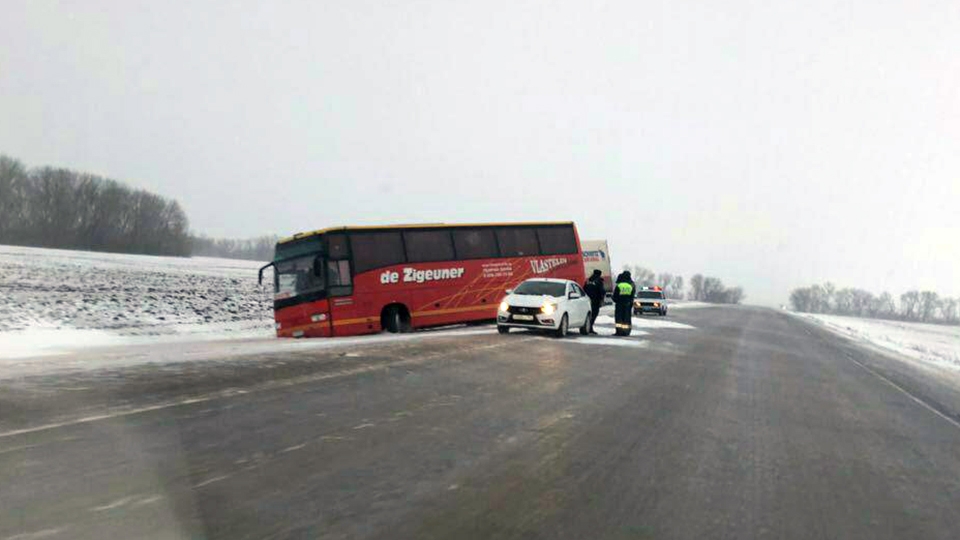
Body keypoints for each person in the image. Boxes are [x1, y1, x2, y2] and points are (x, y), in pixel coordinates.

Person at [612, 270, 635, 336]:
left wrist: (614, 299)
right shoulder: (630, 285)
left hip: (619, 304)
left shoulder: (619, 285)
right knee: (626, 318)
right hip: (627, 304)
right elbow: (632, 296)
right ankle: (626, 331)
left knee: (619, 318)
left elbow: (615, 296)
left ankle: (619, 331)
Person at [583, 269, 605, 334]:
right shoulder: (599, 281)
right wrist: (602, 299)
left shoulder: (588, 280)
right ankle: (590, 327)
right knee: (594, 314)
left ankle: (587, 327)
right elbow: (602, 291)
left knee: (588, 314)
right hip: (595, 301)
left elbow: (584, 289)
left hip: (587, 300)